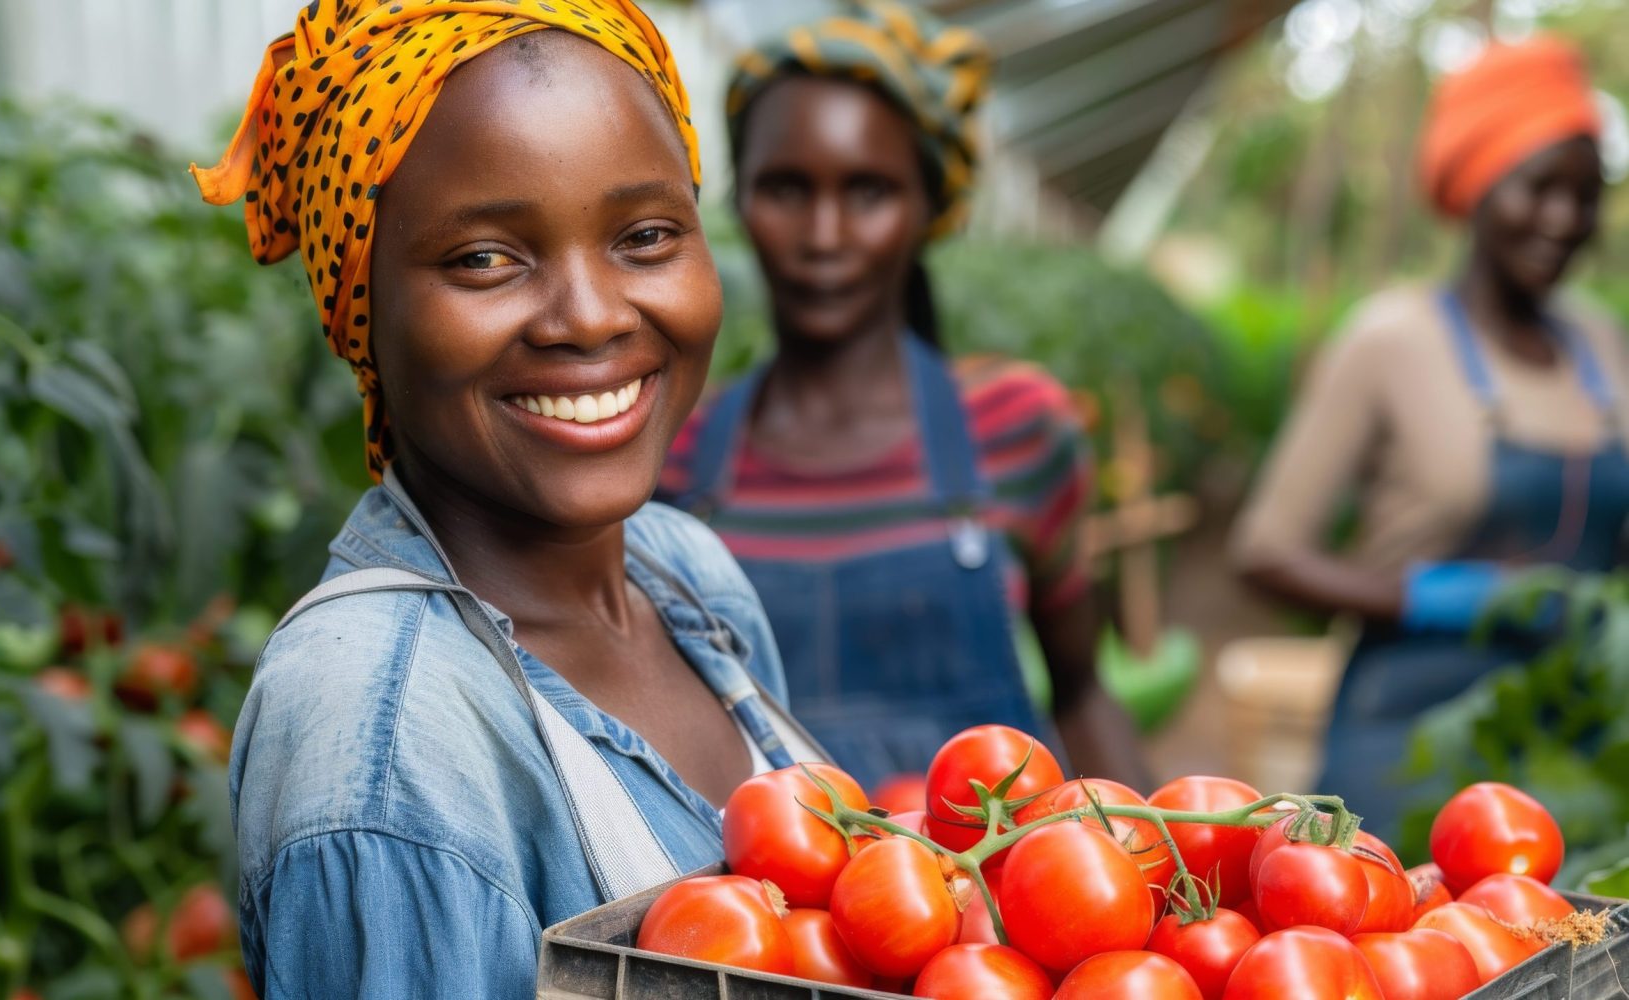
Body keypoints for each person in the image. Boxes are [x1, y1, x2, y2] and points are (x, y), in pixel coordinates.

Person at [192, 2, 825, 995]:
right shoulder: (385, 736)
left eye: (645, 235)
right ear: (360, 309)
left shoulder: (686, 576)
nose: (589, 316)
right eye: (484, 257)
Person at [659, 0, 1149, 791]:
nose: (824, 234)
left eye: (869, 192)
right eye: (785, 188)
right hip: (763, 903)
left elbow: (1085, 692)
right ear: (739, 202)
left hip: (996, 901)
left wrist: (1163, 871)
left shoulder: (1018, 431)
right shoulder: (674, 454)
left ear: (929, 209)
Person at [1233, 36, 1624, 836]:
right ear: (1478, 186)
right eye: (1538, 187)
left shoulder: (1602, 342)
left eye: (1585, 196)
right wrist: (1434, 595)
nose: (1564, 218)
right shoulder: (1392, 341)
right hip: (1409, 742)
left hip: (1571, 745)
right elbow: (1264, 551)